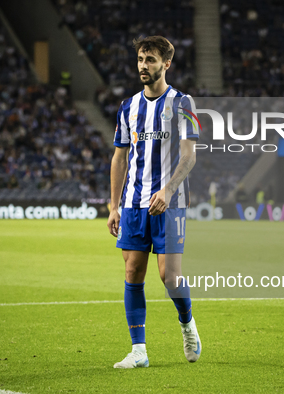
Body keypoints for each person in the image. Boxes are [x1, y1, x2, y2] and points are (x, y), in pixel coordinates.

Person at [107, 36, 200, 369]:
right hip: (134, 203)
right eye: (140, 59)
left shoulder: (184, 104)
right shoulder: (128, 107)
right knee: (133, 271)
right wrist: (114, 205)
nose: (143, 65)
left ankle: (187, 325)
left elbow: (189, 157)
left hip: (170, 203)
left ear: (167, 64)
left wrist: (169, 189)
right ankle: (139, 350)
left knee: (169, 277)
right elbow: (119, 158)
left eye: (150, 59)